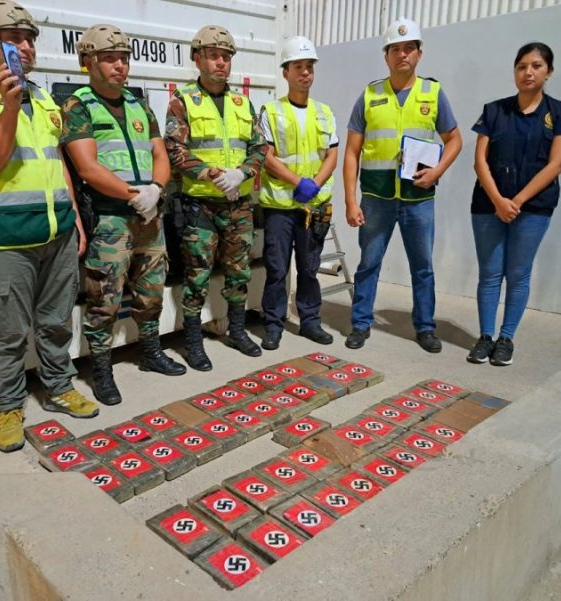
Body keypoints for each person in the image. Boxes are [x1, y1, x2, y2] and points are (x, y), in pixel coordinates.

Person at [0, 0, 93, 452]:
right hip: (7, 242)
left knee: (55, 321)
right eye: (14, 38)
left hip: (59, 234)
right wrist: (8, 107)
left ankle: (59, 385)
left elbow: (57, 163)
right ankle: (7, 405)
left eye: (30, 39)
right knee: (8, 332)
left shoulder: (44, 96)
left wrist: (77, 220)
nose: (26, 47)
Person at [62, 24, 186, 405]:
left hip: (150, 214)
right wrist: (136, 195)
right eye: (110, 58)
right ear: (88, 62)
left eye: (124, 58)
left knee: (150, 292)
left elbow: (160, 155)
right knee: (105, 298)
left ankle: (150, 352)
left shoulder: (138, 104)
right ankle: (101, 369)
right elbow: (86, 167)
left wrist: (157, 190)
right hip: (110, 219)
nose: (120, 66)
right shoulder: (78, 105)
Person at [342, 17, 462, 352]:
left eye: (409, 48)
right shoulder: (370, 94)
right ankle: (360, 324)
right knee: (369, 263)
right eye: (395, 48)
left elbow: (454, 140)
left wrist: (436, 172)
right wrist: (351, 201)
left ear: (419, 54)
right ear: (386, 55)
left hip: (418, 197)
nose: (402, 54)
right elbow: (351, 152)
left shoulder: (433, 92)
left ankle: (425, 327)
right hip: (376, 196)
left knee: (422, 267)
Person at [164, 25, 269, 371]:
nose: (221, 63)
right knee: (197, 275)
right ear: (198, 58)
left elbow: (258, 148)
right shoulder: (183, 101)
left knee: (239, 272)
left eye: (226, 57)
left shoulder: (242, 102)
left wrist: (243, 173)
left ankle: (237, 331)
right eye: (213, 55)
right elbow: (175, 150)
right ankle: (194, 343)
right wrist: (210, 173)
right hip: (200, 206)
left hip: (238, 204)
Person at [468, 42, 561, 366]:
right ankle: (485, 336)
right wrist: (498, 201)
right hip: (488, 205)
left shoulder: (559, 113)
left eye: (536, 66)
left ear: (548, 72)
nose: (528, 72)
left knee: (518, 273)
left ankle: (506, 339)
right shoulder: (494, 111)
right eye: (521, 66)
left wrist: (516, 201)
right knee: (489, 273)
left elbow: (555, 164)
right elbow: (480, 161)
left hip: (533, 208)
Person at [257, 36, 339, 350]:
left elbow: (332, 153)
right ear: (286, 72)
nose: (305, 73)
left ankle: (310, 322)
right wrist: (297, 182)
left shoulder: (324, 112)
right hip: (280, 206)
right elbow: (266, 155)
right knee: (277, 269)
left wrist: (315, 184)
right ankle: (274, 325)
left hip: (313, 206)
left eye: (309, 67)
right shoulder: (270, 111)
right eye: (298, 67)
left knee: (309, 268)